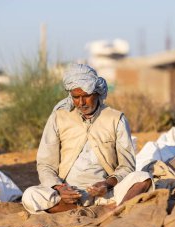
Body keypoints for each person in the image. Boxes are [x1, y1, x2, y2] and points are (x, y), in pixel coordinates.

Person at [22, 63, 153, 214]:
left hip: (106, 193)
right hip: (68, 195)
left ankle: (111, 211)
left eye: (86, 96)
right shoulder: (59, 117)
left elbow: (127, 167)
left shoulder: (116, 119)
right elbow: (45, 165)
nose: (81, 103)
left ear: (97, 92)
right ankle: (101, 211)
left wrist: (107, 184)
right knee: (30, 196)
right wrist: (60, 188)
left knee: (143, 178)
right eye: (76, 97)